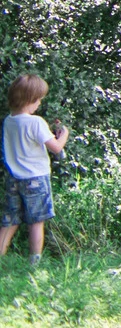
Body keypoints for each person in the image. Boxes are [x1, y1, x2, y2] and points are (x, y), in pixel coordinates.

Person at [0, 75, 66, 265]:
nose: (39, 103)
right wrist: (64, 135)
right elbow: (56, 147)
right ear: (30, 100)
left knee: (10, 220)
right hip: (36, 178)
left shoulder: (9, 120)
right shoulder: (36, 122)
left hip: (13, 178)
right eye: (39, 99)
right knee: (36, 221)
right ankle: (34, 262)